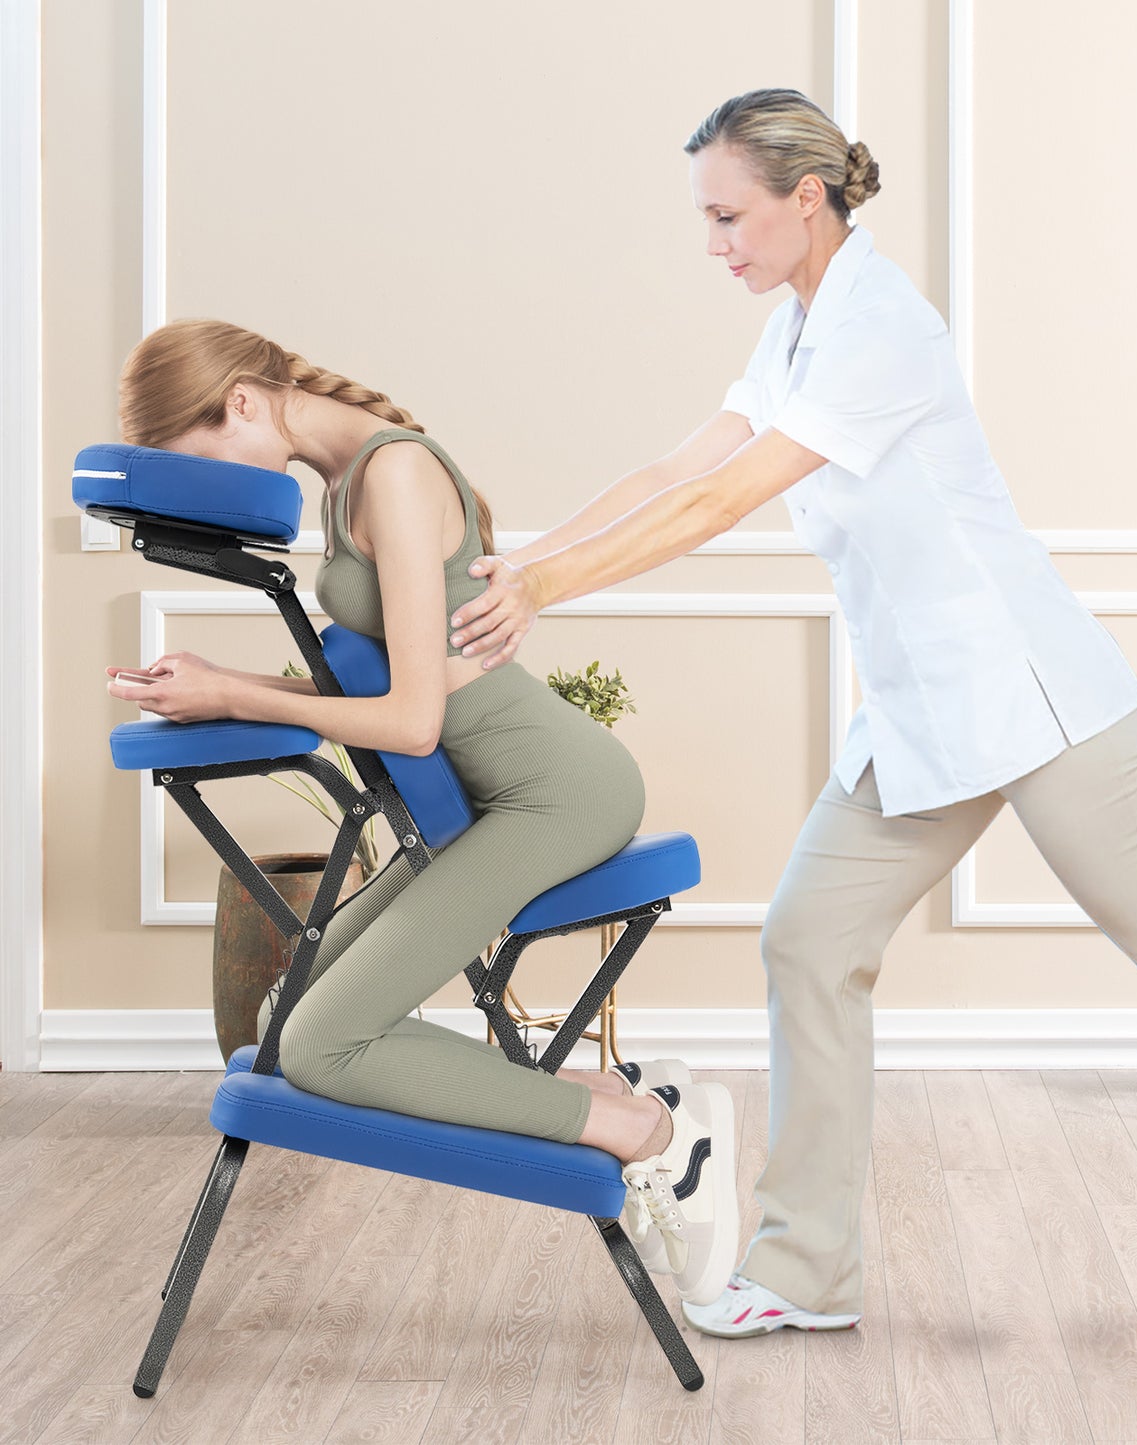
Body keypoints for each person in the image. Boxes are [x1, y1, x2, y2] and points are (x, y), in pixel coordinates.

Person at [447, 88, 1137, 1354]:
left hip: (1037, 700)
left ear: (806, 198)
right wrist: (520, 561)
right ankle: (805, 1264)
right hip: (920, 714)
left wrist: (546, 592)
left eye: (728, 216)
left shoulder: (883, 330)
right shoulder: (798, 331)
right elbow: (677, 469)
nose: (714, 244)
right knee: (809, 941)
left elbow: (719, 505)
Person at [103, 319, 737, 1305]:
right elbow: (400, 673)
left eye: (201, 461)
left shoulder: (391, 473)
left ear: (241, 402)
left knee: (323, 1044)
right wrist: (224, 681)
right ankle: (616, 1095)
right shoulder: (346, 478)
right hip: (477, 804)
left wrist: (232, 691)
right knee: (283, 1018)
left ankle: (651, 1134)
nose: (214, 493)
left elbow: (410, 718)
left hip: (551, 794)